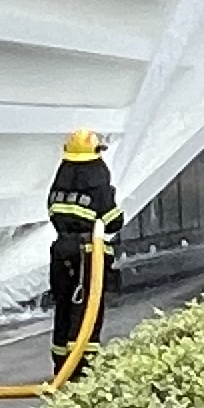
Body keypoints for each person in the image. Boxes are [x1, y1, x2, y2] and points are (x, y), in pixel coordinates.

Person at [44, 129, 120, 335]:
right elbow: (114, 222)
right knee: (87, 315)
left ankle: (62, 363)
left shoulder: (58, 186)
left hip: (61, 252)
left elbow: (53, 214)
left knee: (64, 311)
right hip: (88, 256)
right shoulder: (97, 185)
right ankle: (84, 364)